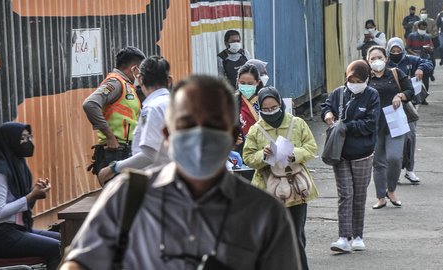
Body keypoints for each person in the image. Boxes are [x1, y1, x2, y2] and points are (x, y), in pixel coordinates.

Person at [61, 75, 301, 270]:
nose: (200, 135)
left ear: (233, 136)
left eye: (213, 124)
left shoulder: (264, 214)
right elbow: (80, 262)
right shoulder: (128, 196)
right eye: (188, 124)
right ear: (167, 135)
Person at [243, 87, 319, 269]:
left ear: (281, 105)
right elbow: (248, 157)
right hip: (267, 192)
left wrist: (295, 154)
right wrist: (263, 155)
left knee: (296, 237)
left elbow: (312, 148)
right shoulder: (256, 130)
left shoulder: (297, 123)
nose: (271, 112)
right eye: (266, 109)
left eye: (274, 107)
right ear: (260, 109)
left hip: (296, 190)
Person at [0, 122, 61, 270]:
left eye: (28, 137)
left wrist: (36, 193)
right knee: (57, 247)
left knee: (66, 239)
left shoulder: (17, 165)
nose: (28, 142)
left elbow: (22, 206)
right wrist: (30, 196)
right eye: (22, 138)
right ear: (10, 141)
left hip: (13, 230)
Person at [321, 60, 380, 253]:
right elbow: (326, 106)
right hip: (340, 153)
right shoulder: (339, 93)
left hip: (363, 154)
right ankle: (343, 237)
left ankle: (357, 235)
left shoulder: (372, 95)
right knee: (345, 195)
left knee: (359, 195)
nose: (354, 83)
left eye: (358, 80)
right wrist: (328, 114)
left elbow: (370, 124)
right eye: (351, 79)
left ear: (366, 79)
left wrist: (347, 126)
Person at [97, 56, 172, 186]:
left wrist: (113, 168)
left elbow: (149, 155)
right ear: (169, 80)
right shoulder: (177, 103)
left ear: (140, 79)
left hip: (157, 182)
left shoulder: (152, 109)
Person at [83, 47, 146, 175]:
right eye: (139, 70)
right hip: (115, 152)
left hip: (125, 150)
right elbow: (90, 104)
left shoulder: (128, 85)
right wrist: (110, 136)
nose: (140, 74)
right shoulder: (116, 83)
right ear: (133, 68)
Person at [366, 46, 414, 209]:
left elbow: (410, 90)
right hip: (374, 125)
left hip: (395, 123)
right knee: (378, 162)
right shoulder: (365, 77)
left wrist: (400, 95)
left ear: (386, 58)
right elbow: (351, 89)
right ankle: (381, 196)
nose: (376, 61)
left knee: (394, 158)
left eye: (379, 57)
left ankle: (391, 189)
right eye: (372, 59)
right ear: (368, 61)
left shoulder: (395, 73)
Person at [386, 38, 433, 185]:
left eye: (398, 50)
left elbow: (428, 62)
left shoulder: (410, 60)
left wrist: (421, 69)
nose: (396, 53)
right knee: (393, 139)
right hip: (390, 107)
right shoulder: (385, 64)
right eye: (392, 51)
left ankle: (410, 170)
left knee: (410, 136)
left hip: (407, 105)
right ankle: (394, 172)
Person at [413, 8, 439, 72]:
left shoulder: (432, 22)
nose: (423, 14)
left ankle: (431, 72)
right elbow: (413, 33)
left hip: (429, 43)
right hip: (419, 44)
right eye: (422, 13)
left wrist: (428, 35)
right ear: (419, 14)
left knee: (432, 58)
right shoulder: (416, 24)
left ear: (427, 14)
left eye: (425, 13)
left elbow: (435, 32)